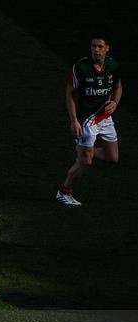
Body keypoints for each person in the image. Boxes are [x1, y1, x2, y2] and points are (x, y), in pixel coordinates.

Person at [56, 33, 123, 206]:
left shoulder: (113, 66)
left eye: (100, 47)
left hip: (105, 118)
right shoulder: (80, 67)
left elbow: (118, 86)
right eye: (94, 46)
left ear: (107, 48)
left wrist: (114, 103)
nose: (96, 50)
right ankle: (64, 192)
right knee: (84, 162)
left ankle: (86, 149)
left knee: (112, 158)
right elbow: (69, 93)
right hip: (86, 121)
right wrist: (74, 121)